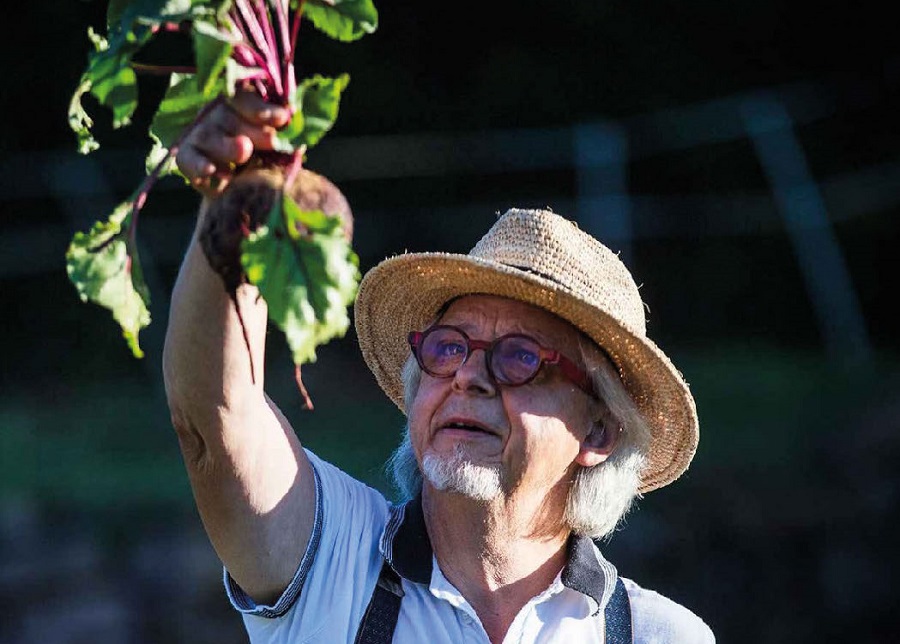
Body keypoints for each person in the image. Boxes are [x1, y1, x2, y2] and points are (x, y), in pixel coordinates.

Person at [164, 92, 716, 643]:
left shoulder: (659, 635)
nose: (468, 376)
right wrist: (237, 209)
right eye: (449, 347)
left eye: (521, 358)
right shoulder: (335, 557)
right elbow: (216, 420)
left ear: (598, 431)